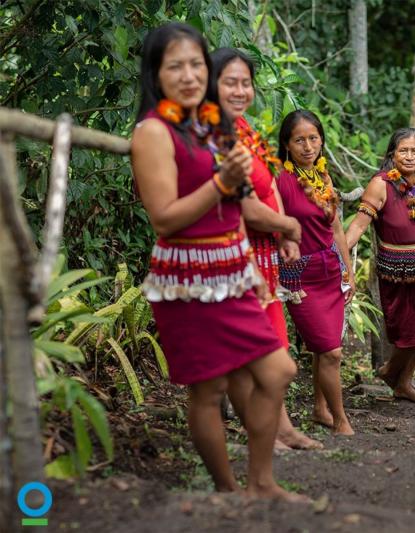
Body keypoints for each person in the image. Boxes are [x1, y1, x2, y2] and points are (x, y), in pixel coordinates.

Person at [131, 23, 305, 501]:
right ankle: (230, 489)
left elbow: (239, 206)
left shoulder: (210, 125)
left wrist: (261, 252)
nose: (188, 76)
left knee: (277, 371)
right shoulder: (153, 132)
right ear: (156, 74)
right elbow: (165, 219)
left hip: (233, 269)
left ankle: (261, 482)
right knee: (208, 390)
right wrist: (221, 184)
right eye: (175, 66)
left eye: (195, 65)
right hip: (188, 276)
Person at [209, 48, 322, 451]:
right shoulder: (215, 135)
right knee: (253, 349)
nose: (240, 90)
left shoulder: (243, 129)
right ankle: (262, 433)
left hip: (266, 252)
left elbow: (269, 186)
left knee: (275, 342)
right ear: (210, 83)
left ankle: (283, 427)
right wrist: (288, 225)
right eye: (230, 82)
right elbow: (241, 202)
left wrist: (284, 234)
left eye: (246, 82)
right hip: (236, 251)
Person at [345, 128, 415, 405]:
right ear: (392, 154)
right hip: (399, 272)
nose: (410, 156)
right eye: (404, 150)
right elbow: (359, 224)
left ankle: (403, 383)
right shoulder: (381, 184)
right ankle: (389, 372)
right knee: (408, 332)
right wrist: (342, 252)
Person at [276, 109, 355, 436]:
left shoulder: (322, 177)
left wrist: (347, 270)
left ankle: (320, 410)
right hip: (300, 276)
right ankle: (341, 421)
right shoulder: (279, 178)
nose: (308, 147)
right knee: (331, 351)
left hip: (330, 272)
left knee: (326, 349)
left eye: (313, 138)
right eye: (299, 140)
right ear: (287, 144)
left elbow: (336, 228)